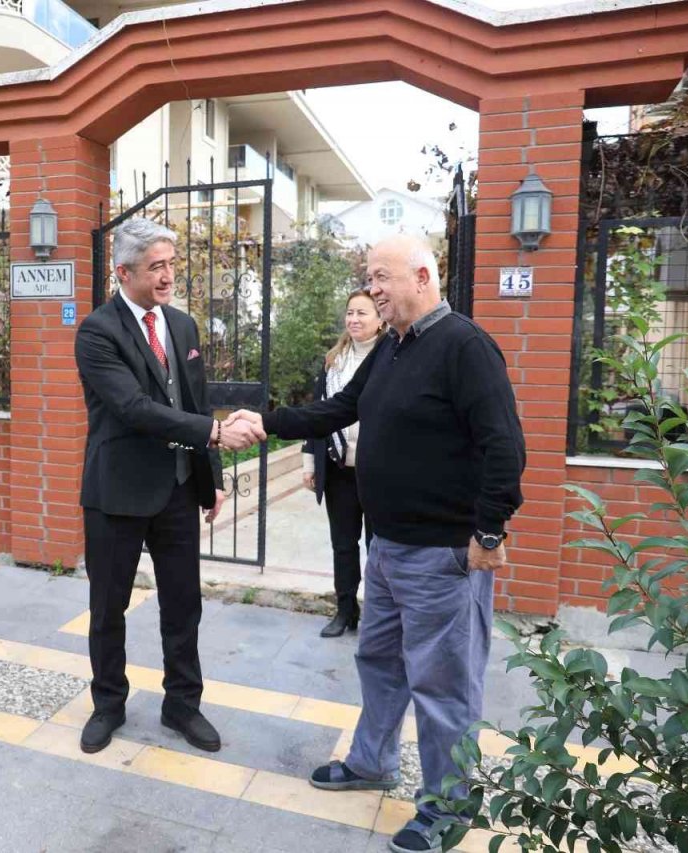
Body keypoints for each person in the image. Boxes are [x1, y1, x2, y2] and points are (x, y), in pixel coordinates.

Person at [227, 234, 525, 853]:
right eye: (370, 277)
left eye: (382, 277)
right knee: (380, 664)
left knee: (443, 686)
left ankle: (448, 808)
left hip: (442, 555)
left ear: (421, 276)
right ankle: (371, 763)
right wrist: (267, 423)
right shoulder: (392, 347)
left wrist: (489, 532)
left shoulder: (465, 347)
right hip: (385, 548)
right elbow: (340, 409)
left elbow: (505, 446)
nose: (375, 289)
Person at [74, 217, 259, 756]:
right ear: (124, 272)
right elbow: (134, 409)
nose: (167, 276)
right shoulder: (97, 332)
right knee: (108, 607)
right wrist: (217, 433)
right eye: (156, 267)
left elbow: (193, 402)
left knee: (183, 606)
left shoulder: (181, 325)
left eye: (171, 264)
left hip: (178, 489)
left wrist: (210, 479)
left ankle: (182, 703)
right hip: (118, 494)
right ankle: (108, 703)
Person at [301, 289, 385, 638]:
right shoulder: (334, 360)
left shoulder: (390, 357)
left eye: (362, 313)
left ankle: (380, 618)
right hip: (338, 469)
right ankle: (345, 611)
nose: (354, 319)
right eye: (350, 313)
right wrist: (310, 463)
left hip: (379, 471)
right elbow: (318, 416)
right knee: (343, 544)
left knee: (378, 547)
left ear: (380, 319)